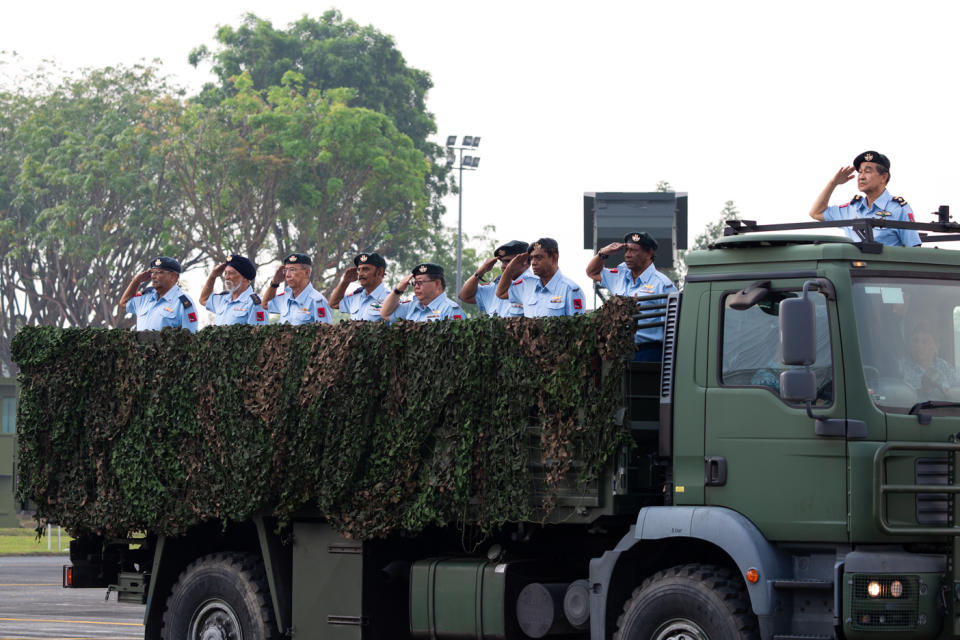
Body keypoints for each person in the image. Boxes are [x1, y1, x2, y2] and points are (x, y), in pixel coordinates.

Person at [586, 231, 677, 358]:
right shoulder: (620, 275)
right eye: (627, 250)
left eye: (634, 251)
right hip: (618, 352)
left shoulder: (662, 285)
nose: (628, 255)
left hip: (648, 352)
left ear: (649, 253)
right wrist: (603, 253)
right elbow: (592, 272)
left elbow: (672, 331)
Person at [809, 150, 921, 247]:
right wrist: (833, 184)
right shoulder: (852, 208)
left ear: (884, 177)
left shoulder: (898, 208)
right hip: (855, 270)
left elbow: (914, 249)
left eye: (867, 171)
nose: (861, 177)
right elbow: (816, 213)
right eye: (860, 172)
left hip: (886, 271)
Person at [495, 238, 585, 317]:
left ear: (554, 258)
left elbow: (577, 329)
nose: (533, 262)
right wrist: (510, 268)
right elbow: (500, 293)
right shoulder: (527, 286)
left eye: (538, 257)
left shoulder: (570, 290)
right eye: (532, 258)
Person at [119, 256, 199, 332]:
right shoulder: (146, 297)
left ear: (173, 277)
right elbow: (124, 302)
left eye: (159, 272)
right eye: (152, 272)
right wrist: (136, 281)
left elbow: (191, 335)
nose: (153, 276)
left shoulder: (183, 302)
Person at [458, 240, 530, 317]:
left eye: (508, 261)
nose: (503, 266)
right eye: (502, 262)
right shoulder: (494, 287)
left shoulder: (533, 285)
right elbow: (464, 296)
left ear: (524, 260)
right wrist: (481, 271)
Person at [260, 253, 333, 325]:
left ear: (307, 272)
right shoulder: (285, 297)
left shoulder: (317, 301)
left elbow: (325, 333)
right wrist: (274, 283)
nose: (287, 275)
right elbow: (265, 304)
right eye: (285, 270)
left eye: (292, 270)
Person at [380, 263, 464, 322]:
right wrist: (398, 290)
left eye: (420, 283)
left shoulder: (450, 310)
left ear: (437, 283)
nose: (416, 287)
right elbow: (385, 314)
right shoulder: (412, 307)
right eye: (414, 283)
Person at [199, 255, 266, 326]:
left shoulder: (255, 304)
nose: (226, 277)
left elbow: (259, 334)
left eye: (231, 273)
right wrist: (213, 276)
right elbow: (203, 299)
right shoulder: (223, 299)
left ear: (245, 277)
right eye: (225, 273)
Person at [329, 252, 390, 321]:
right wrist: (345, 282)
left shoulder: (391, 300)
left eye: (365, 269)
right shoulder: (356, 297)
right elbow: (333, 304)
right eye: (359, 270)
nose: (360, 274)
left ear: (380, 272)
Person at [900, 325, 959, 397]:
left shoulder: (944, 366)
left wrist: (948, 393)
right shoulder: (901, 367)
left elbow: (957, 387)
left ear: (936, 346)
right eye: (915, 340)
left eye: (925, 342)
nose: (919, 345)